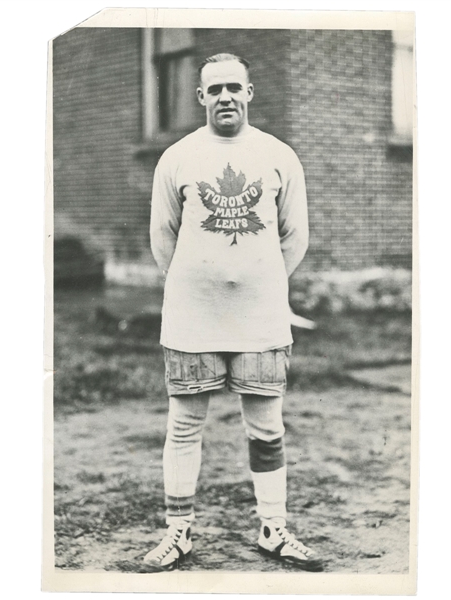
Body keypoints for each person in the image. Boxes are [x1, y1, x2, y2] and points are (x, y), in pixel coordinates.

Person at [144, 53, 323, 573]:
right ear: (200, 97)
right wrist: (198, 282)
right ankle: (177, 532)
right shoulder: (176, 158)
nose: (225, 97)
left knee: (266, 427)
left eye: (234, 88)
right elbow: (163, 239)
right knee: (183, 425)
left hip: (261, 316)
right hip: (191, 315)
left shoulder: (278, 155)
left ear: (250, 92)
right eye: (214, 89)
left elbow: (296, 235)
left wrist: (258, 281)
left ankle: (273, 528)